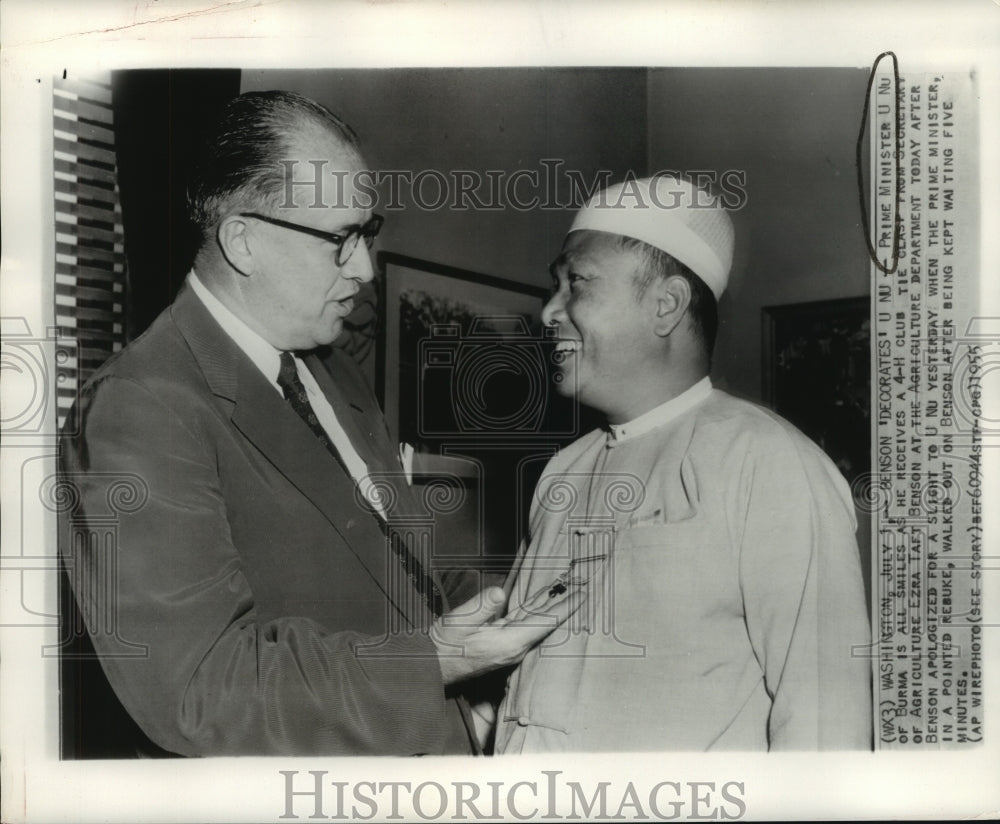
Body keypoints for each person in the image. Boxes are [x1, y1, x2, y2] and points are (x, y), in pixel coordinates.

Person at [58, 91, 574, 757]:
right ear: (244, 241)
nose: (364, 268)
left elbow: (397, 571)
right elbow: (200, 692)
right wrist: (435, 663)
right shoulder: (139, 408)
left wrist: (512, 603)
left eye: (369, 231)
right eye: (340, 240)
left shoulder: (333, 372)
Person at [495, 174, 872, 752]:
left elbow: (825, 723)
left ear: (666, 305)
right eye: (556, 285)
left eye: (577, 283)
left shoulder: (768, 463)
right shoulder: (560, 474)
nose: (550, 311)